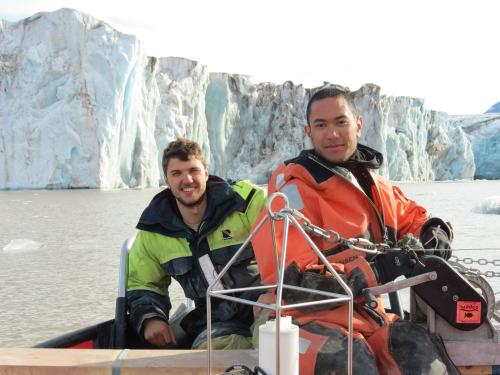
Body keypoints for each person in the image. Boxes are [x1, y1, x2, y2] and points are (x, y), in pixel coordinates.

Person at [251, 87, 457, 374]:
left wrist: (435, 231)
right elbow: (294, 283)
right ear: (308, 131)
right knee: (350, 363)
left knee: (423, 356)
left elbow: (412, 217)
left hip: (365, 316)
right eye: (321, 125)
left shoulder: (374, 188)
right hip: (292, 318)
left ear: (358, 124)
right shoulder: (291, 195)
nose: (332, 133)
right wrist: (378, 271)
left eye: (340, 122)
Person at [127, 138, 266, 350]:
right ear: (167, 179)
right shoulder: (154, 231)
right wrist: (151, 317)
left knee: (274, 342)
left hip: (265, 303)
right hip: (216, 320)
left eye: (193, 170)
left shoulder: (245, 202)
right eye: (177, 173)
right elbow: (143, 283)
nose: (187, 179)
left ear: (206, 173)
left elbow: (287, 245)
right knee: (209, 355)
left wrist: (277, 293)